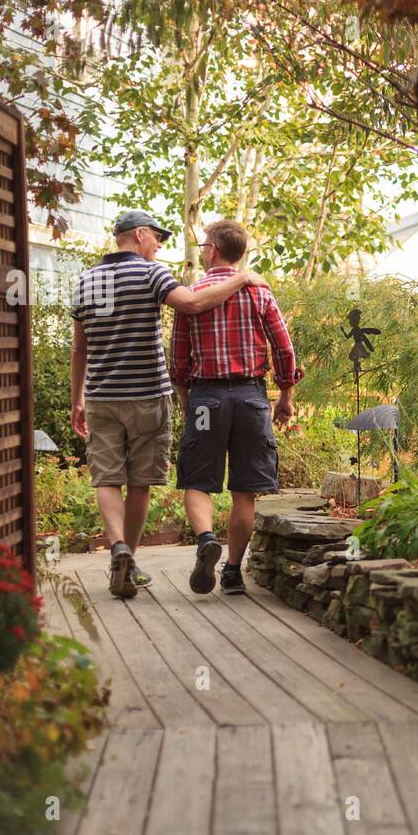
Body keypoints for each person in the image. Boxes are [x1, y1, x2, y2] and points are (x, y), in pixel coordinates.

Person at [71, 210, 269, 599]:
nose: (159, 245)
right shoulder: (152, 273)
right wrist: (244, 276)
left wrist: (76, 398)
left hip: (100, 396)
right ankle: (129, 555)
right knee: (140, 481)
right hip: (146, 394)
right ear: (139, 235)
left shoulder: (86, 280)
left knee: (107, 478)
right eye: (157, 238)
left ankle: (120, 553)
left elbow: (80, 347)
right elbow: (193, 304)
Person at [171, 220, 302, 595]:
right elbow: (284, 349)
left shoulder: (191, 295)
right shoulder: (260, 292)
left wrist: (188, 401)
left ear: (212, 250)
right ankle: (231, 572)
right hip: (251, 398)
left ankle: (207, 539)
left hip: (206, 398)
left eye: (204, 245)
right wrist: (286, 395)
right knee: (245, 489)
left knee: (198, 481)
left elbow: (179, 359)